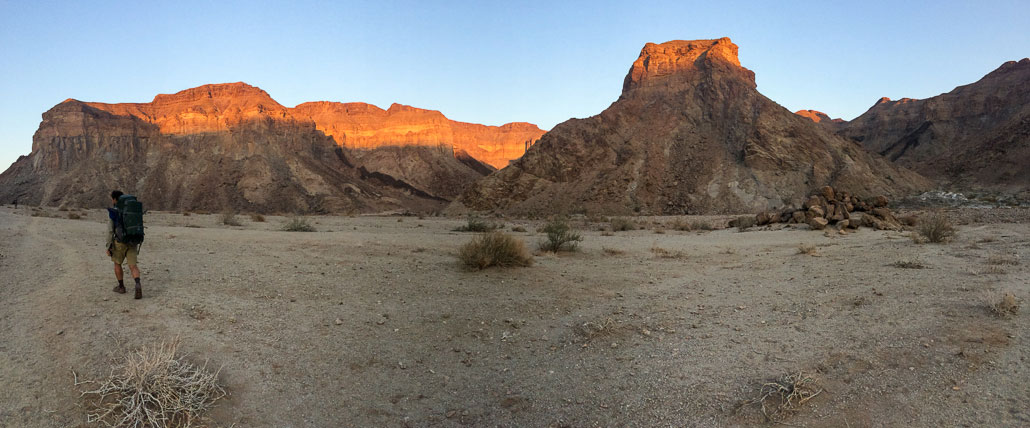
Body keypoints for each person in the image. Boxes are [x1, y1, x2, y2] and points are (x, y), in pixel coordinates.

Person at [107, 190, 142, 299]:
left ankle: (121, 287)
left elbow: (110, 230)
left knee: (117, 264)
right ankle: (137, 284)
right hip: (132, 241)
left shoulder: (115, 211)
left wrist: (108, 245)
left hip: (120, 242)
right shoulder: (132, 210)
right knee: (133, 265)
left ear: (114, 199)